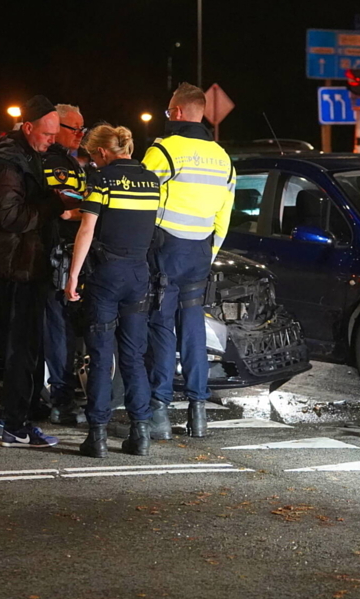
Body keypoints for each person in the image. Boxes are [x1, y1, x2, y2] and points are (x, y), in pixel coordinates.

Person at [0, 95, 81, 448]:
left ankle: (14, 420)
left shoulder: (24, 157)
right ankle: (13, 425)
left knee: (27, 350)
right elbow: (10, 217)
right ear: (30, 127)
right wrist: (55, 204)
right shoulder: (9, 165)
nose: (52, 140)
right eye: (48, 134)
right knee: (23, 351)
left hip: (27, 264)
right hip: (18, 267)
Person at [142, 82, 235, 439]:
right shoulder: (222, 156)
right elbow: (225, 216)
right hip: (200, 252)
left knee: (162, 328)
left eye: (169, 112)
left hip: (166, 249)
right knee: (193, 329)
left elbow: (143, 200)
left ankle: (160, 414)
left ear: (178, 112)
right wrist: (209, 251)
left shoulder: (164, 150)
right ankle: (198, 414)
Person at [65, 125, 160, 457]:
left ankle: (98, 436)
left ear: (102, 152)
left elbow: (88, 228)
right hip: (139, 273)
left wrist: (73, 275)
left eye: (92, 157)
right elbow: (132, 217)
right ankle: (141, 433)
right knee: (134, 356)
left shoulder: (101, 180)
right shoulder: (151, 181)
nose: (92, 163)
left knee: (101, 356)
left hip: (107, 275)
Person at [43, 104, 89, 425]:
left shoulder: (69, 160)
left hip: (65, 252)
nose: (80, 135)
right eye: (75, 128)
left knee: (64, 327)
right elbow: (67, 200)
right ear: (56, 127)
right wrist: (89, 205)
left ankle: (62, 392)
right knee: (59, 327)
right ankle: (61, 395)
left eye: (82, 129)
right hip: (56, 254)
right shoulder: (57, 162)